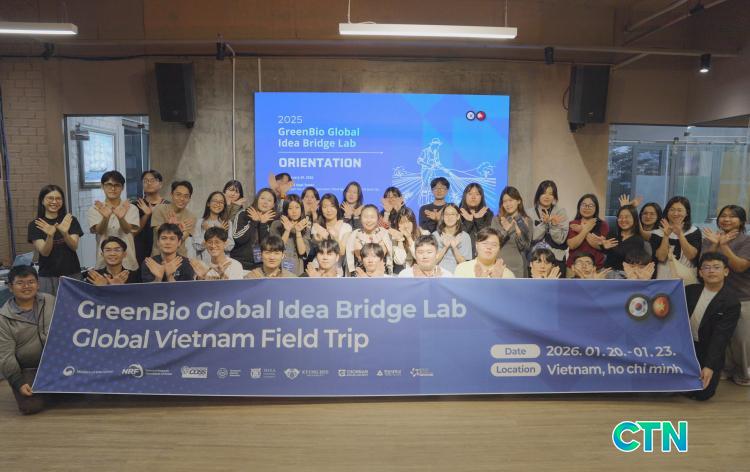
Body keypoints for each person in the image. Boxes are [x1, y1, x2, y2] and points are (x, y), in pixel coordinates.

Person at [702, 205, 750, 386]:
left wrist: (724, 246)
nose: (727, 219)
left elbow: (739, 266)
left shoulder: (746, 241)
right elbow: (703, 264)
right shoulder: (711, 238)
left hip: (742, 296)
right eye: (723, 216)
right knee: (720, 335)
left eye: (732, 216)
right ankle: (726, 368)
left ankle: (744, 373)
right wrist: (715, 244)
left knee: (741, 339)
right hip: (717, 296)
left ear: (742, 221)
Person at [685, 252, 741, 401]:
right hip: (685, 347)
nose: (711, 271)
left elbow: (720, 338)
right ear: (700, 273)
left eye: (716, 267)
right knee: (673, 388)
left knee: (703, 393)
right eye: (707, 267)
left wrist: (709, 366)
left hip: (707, 349)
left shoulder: (731, 302)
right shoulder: (689, 291)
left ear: (726, 271)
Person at [0, 265, 55, 414]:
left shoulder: (50, 300)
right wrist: (18, 382)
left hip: (56, 364)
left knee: (76, 395)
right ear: (10, 287)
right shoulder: (3, 318)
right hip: (29, 368)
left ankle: (51, 390)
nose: (26, 287)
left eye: (31, 282)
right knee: (30, 407)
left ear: (38, 284)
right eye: (20, 283)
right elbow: (5, 356)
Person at [27, 184, 84, 295]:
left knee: (74, 305)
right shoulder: (35, 225)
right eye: (50, 198)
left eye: (58, 198)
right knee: (49, 305)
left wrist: (65, 233)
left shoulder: (70, 220)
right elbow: (45, 252)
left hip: (72, 273)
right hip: (47, 276)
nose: (54, 202)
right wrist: (50, 236)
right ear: (42, 201)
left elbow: (74, 246)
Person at [87, 170, 140, 272]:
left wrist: (121, 218)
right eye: (109, 185)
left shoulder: (131, 208)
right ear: (102, 186)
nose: (113, 188)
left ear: (122, 187)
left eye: (117, 185)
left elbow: (127, 230)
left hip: (127, 261)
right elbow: (99, 231)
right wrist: (105, 218)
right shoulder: (95, 209)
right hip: (104, 262)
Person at [652, 196, 701, 282]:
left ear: (687, 213)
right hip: (662, 278)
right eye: (672, 210)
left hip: (687, 279)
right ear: (667, 212)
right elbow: (661, 258)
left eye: (679, 210)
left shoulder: (693, 231)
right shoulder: (657, 232)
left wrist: (680, 234)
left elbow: (691, 256)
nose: (675, 213)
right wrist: (666, 235)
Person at [528, 180, 569, 275]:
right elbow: (532, 237)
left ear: (554, 196)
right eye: (544, 193)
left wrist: (554, 226)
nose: (547, 196)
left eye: (550, 194)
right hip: (535, 259)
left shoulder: (561, 212)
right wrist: (544, 223)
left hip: (556, 259)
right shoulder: (529, 213)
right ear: (538, 194)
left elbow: (560, 240)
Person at [232, 187, 278, 270]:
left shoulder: (274, 221)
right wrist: (254, 222)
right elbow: (238, 238)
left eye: (269, 200)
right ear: (257, 199)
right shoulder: (244, 214)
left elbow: (268, 246)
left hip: (261, 265)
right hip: (239, 263)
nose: (265, 202)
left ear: (273, 205)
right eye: (262, 198)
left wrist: (263, 224)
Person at [490, 186, 532, 277]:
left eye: (511, 200)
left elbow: (526, 247)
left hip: (517, 266)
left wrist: (519, 233)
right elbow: (493, 243)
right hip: (498, 265)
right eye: (505, 201)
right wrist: (505, 230)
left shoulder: (526, 220)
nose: (508, 204)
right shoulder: (496, 219)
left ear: (518, 201)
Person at [150, 180, 197, 257]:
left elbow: (181, 239)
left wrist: (175, 229)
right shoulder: (159, 209)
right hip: (158, 256)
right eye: (178, 194)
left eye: (186, 196)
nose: (182, 199)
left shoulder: (191, 217)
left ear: (189, 199)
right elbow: (158, 232)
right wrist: (172, 227)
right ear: (171, 194)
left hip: (180, 257)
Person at [566, 194, 611, 274]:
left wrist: (581, 230)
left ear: (596, 208)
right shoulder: (573, 223)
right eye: (584, 205)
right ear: (579, 207)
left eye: (590, 206)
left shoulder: (603, 225)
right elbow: (572, 245)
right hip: (574, 268)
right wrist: (586, 229)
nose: (587, 208)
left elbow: (600, 246)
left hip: (596, 268)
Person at [132, 170, 168, 267]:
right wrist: (147, 214)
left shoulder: (168, 206)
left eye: (152, 180)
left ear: (160, 184)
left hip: (161, 251)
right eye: (145, 181)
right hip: (139, 250)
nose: (149, 183)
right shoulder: (135, 205)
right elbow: (133, 232)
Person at [269, 194, 311, 276]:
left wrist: (298, 232)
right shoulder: (276, 224)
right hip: (278, 266)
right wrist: (287, 230)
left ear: (301, 209)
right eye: (290, 208)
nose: (294, 211)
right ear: (285, 210)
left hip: (297, 269)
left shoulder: (305, 227)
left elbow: (302, 252)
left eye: (297, 207)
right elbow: (276, 248)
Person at [346, 204, 393, 275]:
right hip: (360, 274)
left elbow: (380, 256)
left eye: (372, 217)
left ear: (378, 219)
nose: (368, 220)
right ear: (360, 218)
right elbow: (359, 257)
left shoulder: (383, 233)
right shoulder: (355, 234)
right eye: (365, 217)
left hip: (381, 274)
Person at [604, 205, 650, 272]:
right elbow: (607, 255)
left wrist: (611, 247)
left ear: (634, 219)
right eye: (620, 217)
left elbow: (628, 258)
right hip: (606, 272)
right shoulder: (612, 234)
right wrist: (603, 246)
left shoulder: (638, 240)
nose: (623, 220)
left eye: (627, 217)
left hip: (625, 274)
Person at [193, 191, 235, 264]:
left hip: (222, 265)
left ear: (224, 205)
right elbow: (196, 246)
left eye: (221, 202)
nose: (218, 204)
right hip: (204, 265)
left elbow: (230, 247)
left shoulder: (227, 223)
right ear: (208, 204)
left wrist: (219, 233)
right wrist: (210, 232)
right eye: (215, 201)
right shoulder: (200, 222)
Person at [311, 193, 352, 265]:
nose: (329, 210)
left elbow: (342, 252)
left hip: (336, 269)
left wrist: (335, 237)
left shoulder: (346, 227)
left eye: (332, 206)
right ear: (321, 209)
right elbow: (315, 248)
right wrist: (319, 239)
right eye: (325, 207)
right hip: (317, 267)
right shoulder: (317, 227)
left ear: (337, 207)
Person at [433, 203, 472, 273]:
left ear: (458, 216)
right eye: (446, 214)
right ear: (443, 217)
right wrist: (445, 247)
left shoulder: (465, 236)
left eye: (452, 214)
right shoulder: (435, 235)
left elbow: (465, 265)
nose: (449, 217)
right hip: (438, 274)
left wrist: (454, 248)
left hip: (458, 274)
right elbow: (432, 262)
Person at [459, 183, 493, 256]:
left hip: (483, 256)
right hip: (463, 257)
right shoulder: (458, 213)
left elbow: (488, 237)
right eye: (470, 194)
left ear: (481, 197)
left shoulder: (488, 214)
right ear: (465, 196)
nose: (473, 197)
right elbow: (458, 237)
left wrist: (478, 220)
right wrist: (468, 222)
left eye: (477, 194)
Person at [391, 206, 428, 274]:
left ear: (413, 222)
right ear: (397, 225)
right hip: (401, 274)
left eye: (408, 222)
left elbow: (420, 257)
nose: (405, 226)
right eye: (402, 222)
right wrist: (400, 240)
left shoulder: (424, 234)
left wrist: (409, 238)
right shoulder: (394, 238)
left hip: (420, 273)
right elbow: (399, 261)